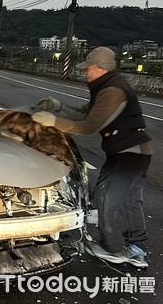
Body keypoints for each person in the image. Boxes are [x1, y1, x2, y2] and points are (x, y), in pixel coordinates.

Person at [31, 47, 153, 268]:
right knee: (130, 201)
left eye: (88, 68)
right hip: (133, 151)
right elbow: (85, 113)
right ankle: (136, 248)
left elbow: (88, 126)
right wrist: (58, 107)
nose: (85, 72)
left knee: (107, 198)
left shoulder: (113, 91)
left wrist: (54, 122)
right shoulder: (107, 87)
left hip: (129, 152)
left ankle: (114, 249)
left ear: (99, 68)